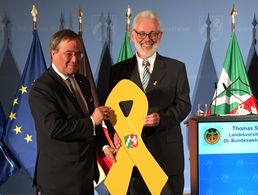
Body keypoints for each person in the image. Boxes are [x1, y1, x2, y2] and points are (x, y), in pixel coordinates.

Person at [109, 10, 191, 195]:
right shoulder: (118, 71)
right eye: (141, 33)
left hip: (166, 158)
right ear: (132, 35)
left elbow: (184, 104)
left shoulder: (176, 68)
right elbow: (110, 110)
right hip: (131, 159)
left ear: (160, 36)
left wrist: (161, 119)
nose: (147, 38)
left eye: (153, 33)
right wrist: (116, 132)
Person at [29, 29, 117, 195]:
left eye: (79, 54)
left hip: (84, 175)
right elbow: (54, 128)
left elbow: (93, 122)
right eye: (68, 53)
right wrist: (92, 121)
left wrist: (103, 146)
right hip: (59, 180)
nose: (75, 59)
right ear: (53, 53)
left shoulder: (82, 81)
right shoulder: (42, 88)